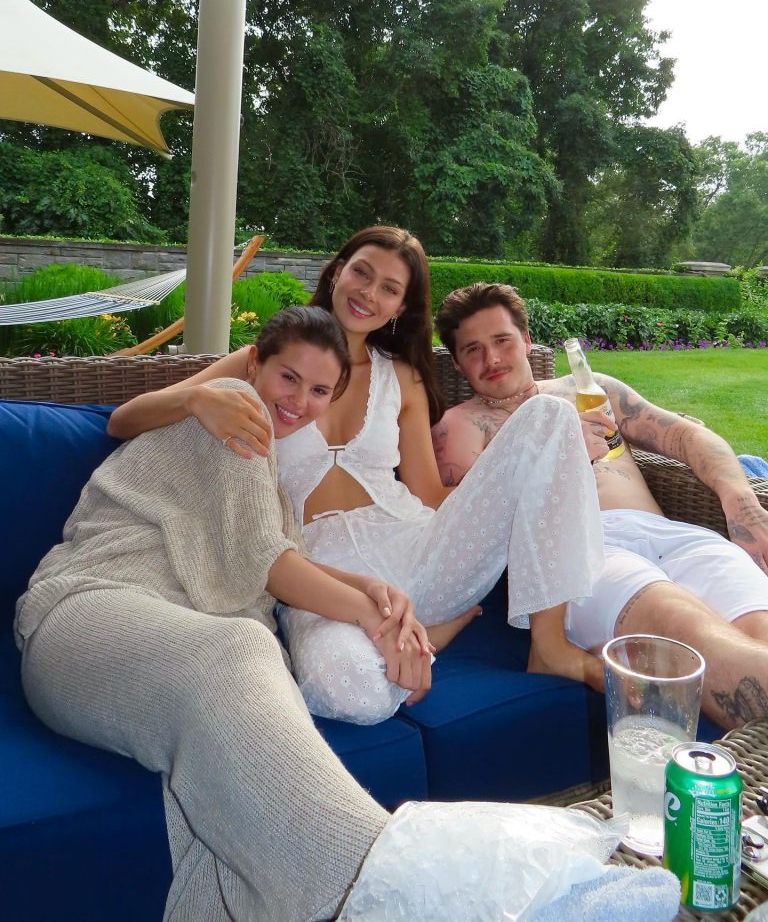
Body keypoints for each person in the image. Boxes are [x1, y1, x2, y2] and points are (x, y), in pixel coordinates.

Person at [15, 306, 437, 921]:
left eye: (319, 391)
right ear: (255, 364)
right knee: (243, 645)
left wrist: (374, 590)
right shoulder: (236, 408)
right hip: (88, 611)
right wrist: (373, 618)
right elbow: (271, 567)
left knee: (243, 711)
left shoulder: (268, 477)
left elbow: (275, 554)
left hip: (166, 643)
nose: (299, 401)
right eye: (288, 378)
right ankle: (392, 892)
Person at [107, 226, 605, 725]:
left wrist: (514, 480)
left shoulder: (403, 377)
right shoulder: (268, 361)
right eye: (361, 273)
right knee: (352, 692)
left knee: (551, 416)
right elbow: (122, 420)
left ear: (400, 307)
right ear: (337, 272)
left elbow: (429, 495)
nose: (369, 293)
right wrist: (197, 398)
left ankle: (548, 647)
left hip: (420, 549)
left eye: (389, 288)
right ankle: (432, 635)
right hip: (320, 575)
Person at [431, 282, 768, 729]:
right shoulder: (459, 427)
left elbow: (686, 435)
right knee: (686, 629)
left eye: (502, 340)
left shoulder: (588, 389)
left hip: (674, 536)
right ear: (456, 362)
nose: (491, 359)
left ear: (527, 340)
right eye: (472, 350)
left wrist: (742, 501)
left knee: (759, 630)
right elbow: (470, 527)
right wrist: (558, 452)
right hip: (583, 555)